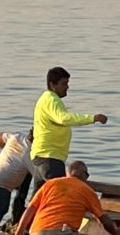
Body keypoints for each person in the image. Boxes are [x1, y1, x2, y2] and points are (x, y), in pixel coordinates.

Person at [31, 66, 108, 194]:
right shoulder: (51, 100)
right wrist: (93, 118)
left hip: (41, 156)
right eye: (63, 83)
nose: (67, 87)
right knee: (60, 196)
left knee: (37, 200)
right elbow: (64, 118)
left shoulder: (45, 99)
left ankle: (27, 215)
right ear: (52, 84)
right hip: (50, 157)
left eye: (67, 83)